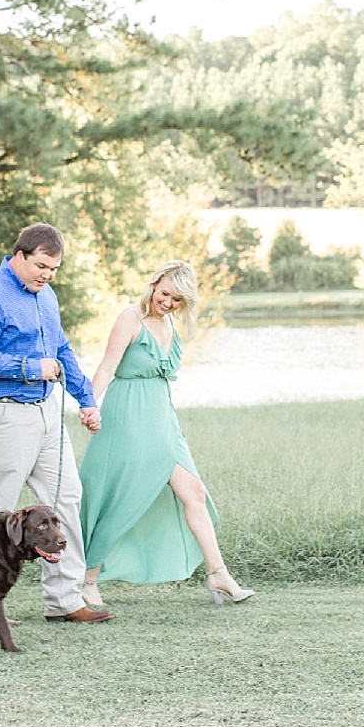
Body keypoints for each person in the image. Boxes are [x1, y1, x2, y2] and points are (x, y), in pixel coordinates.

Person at [0, 223, 112, 625]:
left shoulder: (47, 297)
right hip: (0, 412)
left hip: (47, 413)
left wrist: (86, 399)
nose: (47, 275)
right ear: (20, 255)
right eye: (42, 266)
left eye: (54, 269)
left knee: (66, 501)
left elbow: (61, 349)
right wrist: (30, 368)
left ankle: (65, 600)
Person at [78, 260, 254, 607]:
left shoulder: (170, 324)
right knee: (121, 495)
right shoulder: (130, 319)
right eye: (165, 294)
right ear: (155, 283)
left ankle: (218, 574)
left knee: (195, 492)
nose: (168, 303)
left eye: (177, 300)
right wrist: (89, 404)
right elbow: (107, 366)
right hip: (127, 416)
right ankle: (88, 578)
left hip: (162, 419)